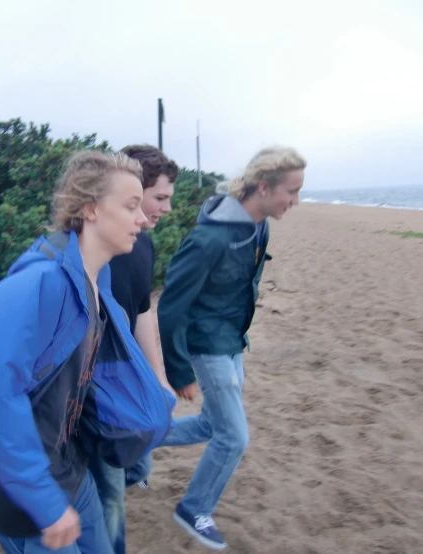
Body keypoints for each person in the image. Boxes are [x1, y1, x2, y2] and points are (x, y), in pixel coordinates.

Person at [0, 150, 175, 554]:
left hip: (71, 470)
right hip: (22, 491)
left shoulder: (99, 282)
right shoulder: (34, 286)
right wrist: (44, 501)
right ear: (91, 209)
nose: (142, 218)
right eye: (131, 206)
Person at [157, 146, 306, 550]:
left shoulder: (259, 227)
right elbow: (171, 305)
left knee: (211, 425)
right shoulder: (208, 239)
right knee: (234, 437)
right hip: (207, 346)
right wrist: (179, 370)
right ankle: (193, 508)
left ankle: (138, 436)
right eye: (290, 192)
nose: (295, 201)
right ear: (263, 187)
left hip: (232, 341)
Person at [88, 144, 179, 554]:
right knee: (112, 492)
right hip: (95, 382)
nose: (166, 209)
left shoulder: (143, 244)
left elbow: (143, 312)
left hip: (129, 375)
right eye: (160, 197)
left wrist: (159, 379)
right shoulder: (95, 246)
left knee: (139, 463)